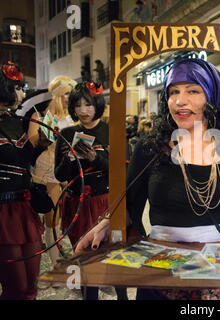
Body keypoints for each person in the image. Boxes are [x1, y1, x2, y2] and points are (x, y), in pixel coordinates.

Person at [75, 58, 220, 300]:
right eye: (174, 92)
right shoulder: (150, 147)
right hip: (161, 272)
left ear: (211, 99)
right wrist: (106, 223)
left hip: (218, 271)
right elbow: (129, 204)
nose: (180, 100)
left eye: (193, 91)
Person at [54, 82, 127, 300]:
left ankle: (122, 296)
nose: (84, 110)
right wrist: (71, 158)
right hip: (77, 202)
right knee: (85, 261)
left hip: (105, 202)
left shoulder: (111, 130)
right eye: (78, 105)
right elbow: (59, 175)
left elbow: (123, 169)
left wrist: (97, 159)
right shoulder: (66, 133)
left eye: (89, 104)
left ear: (97, 104)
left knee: (114, 257)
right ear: (72, 108)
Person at [0, 61, 50, 299]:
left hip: (24, 209)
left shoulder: (15, 121)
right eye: (16, 87)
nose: (21, 93)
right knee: (15, 287)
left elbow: (22, 162)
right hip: (2, 214)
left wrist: (38, 145)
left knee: (31, 284)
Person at [27, 75, 76, 267]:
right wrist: (45, 136)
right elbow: (32, 141)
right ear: (57, 95)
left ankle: (63, 255)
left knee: (67, 217)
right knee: (52, 219)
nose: (70, 98)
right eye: (67, 94)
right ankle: (56, 264)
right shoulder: (39, 116)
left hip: (69, 171)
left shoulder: (73, 117)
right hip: (48, 171)